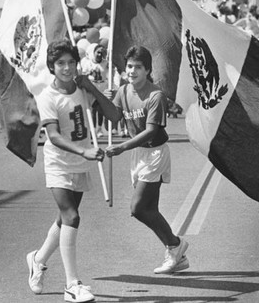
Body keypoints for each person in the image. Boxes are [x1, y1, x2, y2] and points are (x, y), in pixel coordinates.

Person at [26, 40, 120, 301]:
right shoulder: (47, 97)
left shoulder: (82, 89)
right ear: (52, 67)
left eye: (70, 62)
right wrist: (84, 151)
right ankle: (72, 284)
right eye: (60, 64)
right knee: (72, 216)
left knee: (63, 220)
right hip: (59, 163)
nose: (66, 68)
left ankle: (38, 259)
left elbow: (114, 116)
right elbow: (54, 136)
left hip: (80, 163)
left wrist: (93, 89)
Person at [105, 45, 190, 275]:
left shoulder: (156, 96)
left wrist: (122, 146)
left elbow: (152, 131)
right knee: (150, 208)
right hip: (138, 154)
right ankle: (177, 255)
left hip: (155, 153)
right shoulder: (123, 92)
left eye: (138, 67)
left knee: (139, 208)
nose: (132, 71)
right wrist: (106, 101)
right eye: (129, 66)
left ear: (148, 70)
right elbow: (110, 123)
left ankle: (175, 244)